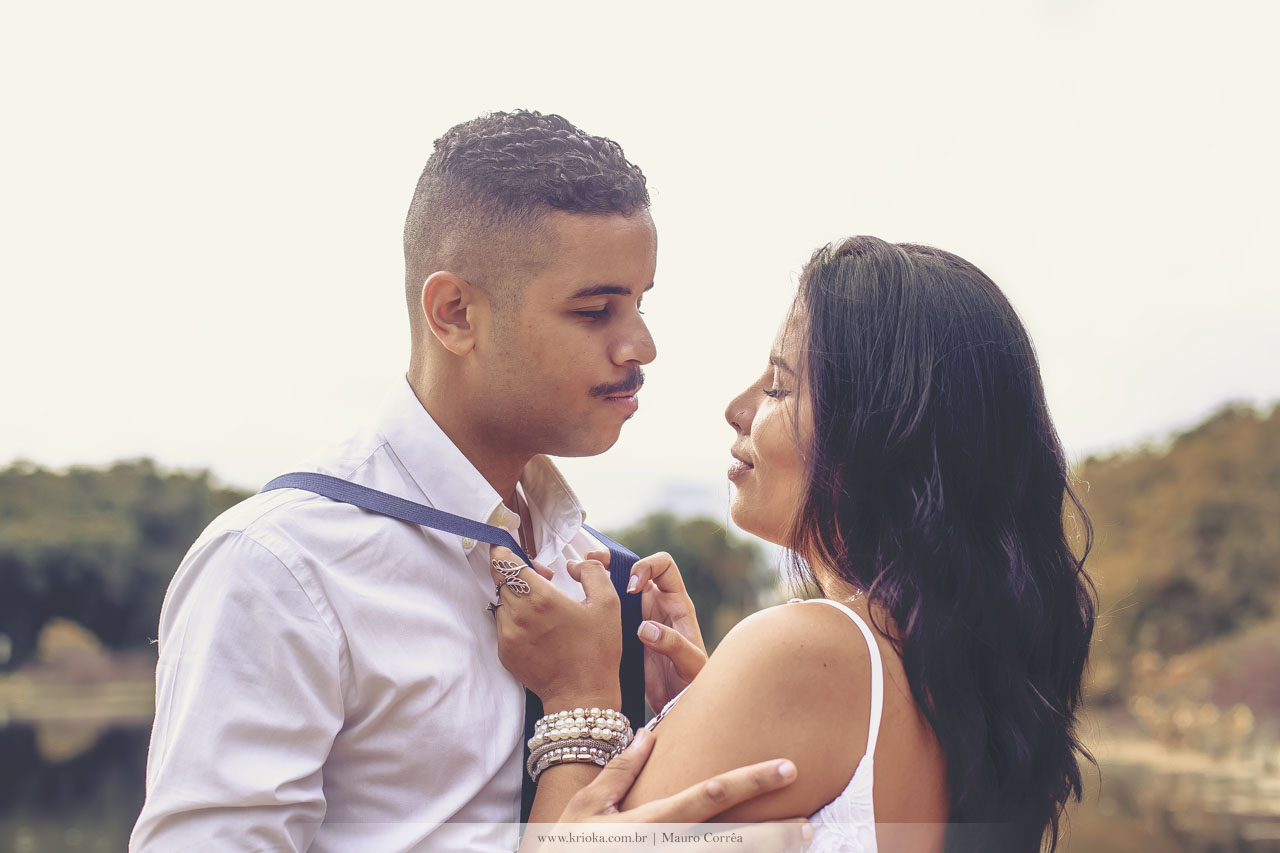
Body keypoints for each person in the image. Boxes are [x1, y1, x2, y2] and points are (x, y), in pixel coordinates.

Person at [129, 110, 806, 852]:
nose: (640, 344)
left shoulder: (608, 580)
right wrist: (579, 706)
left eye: (641, 301)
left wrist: (683, 727)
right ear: (454, 313)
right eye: (595, 309)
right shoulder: (280, 566)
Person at [493, 236, 1099, 852]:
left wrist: (578, 700)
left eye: (778, 389)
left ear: (880, 431)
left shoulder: (807, 650)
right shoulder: (951, 673)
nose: (736, 409)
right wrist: (709, 710)